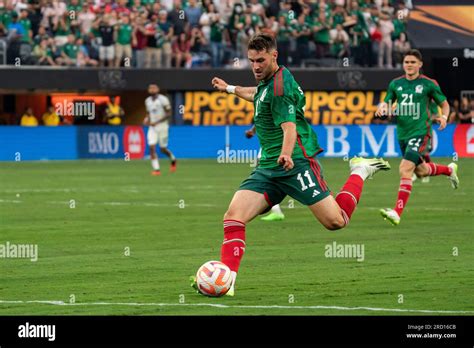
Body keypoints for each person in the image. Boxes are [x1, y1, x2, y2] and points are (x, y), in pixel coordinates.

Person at [191, 33, 390, 296]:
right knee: (233, 217)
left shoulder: (280, 88)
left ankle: (360, 170)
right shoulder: (269, 81)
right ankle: (227, 280)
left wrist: (285, 154)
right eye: (251, 61)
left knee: (336, 221)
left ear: (275, 55)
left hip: (294, 165)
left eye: (260, 60)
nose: (256, 66)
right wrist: (229, 88)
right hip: (268, 168)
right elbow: (256, 95)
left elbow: (289, 127)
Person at [375, 49, 459, 226]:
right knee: (421, 171)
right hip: (402, 134)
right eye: (407, 62)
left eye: (413, 62)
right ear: (403, 64)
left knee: (405, 169)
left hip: (421, 132)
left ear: (420, 64)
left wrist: (444, 117)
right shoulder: (395, 84)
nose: (409, 65)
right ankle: (449, 170)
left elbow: (444, 104)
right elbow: (388, 102)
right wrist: (382, 108)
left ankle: (397, 212)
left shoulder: (428, 84)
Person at [245, 125, 285, 221]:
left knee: (264, 181)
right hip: (275, 150)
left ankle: (275, 210)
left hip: (271, 152)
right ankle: (276, 210)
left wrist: (252, 130)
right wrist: (253, 130)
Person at [143, 84, 176, 175]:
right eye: (150, 88)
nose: (152, 89)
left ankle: (173, 159)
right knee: (151, 147)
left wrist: (157, 122)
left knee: (163, 149)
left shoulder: (163, 99)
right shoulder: (147, 101)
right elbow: (148, 113)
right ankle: (156, 170)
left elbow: (169, 113)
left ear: (158, 89)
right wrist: (146, 119)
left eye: (154, 88)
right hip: (152, 127)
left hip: (162, 126)